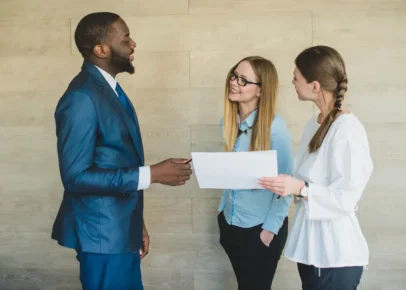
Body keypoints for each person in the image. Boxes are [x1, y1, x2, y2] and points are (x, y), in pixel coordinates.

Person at [51, 12, 192, 290]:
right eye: (125, 39)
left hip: (119, 230)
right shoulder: (81, 97)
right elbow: (76, 177)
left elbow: (112, 159)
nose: (133, 44)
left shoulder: (108, 89)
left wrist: (135, 223)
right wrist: (151, 174)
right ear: (101, 50)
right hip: (102, 237)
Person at [259, 45, 373, 290]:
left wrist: (301, 189)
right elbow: (306, 180)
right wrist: (287, 185)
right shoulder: (315, 123)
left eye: (296, 77)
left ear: (315, 86)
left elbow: (347, 196)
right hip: (312, 248)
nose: (292, 82)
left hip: (335, 253)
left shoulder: (347, 129)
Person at [217, 56, 293, 290]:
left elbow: (286, 185)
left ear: (261, 90)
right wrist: (222, 212)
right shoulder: (227, 122)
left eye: (243, 80)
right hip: (230, 224)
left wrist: (269, 230)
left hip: (260, 229)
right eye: (234, 75)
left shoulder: (275, 127)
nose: (234, 82)